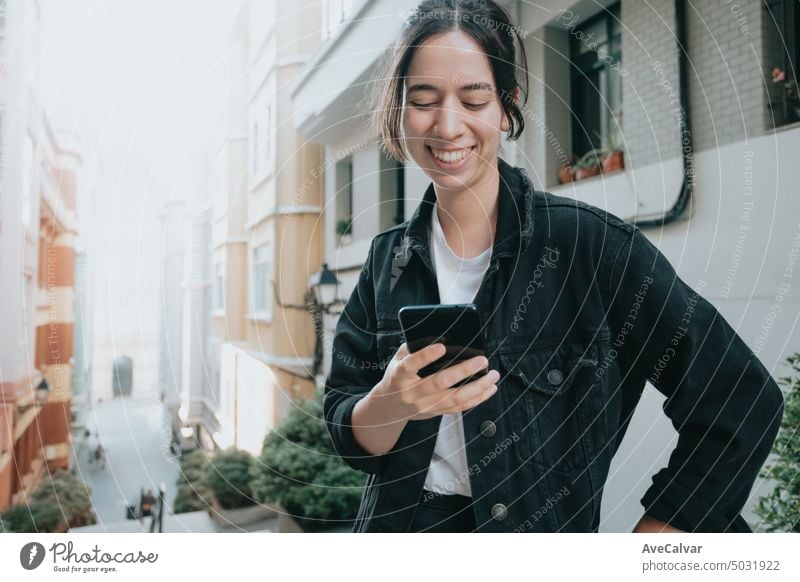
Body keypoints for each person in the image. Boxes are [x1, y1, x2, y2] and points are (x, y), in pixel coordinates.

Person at [323, 0, 785, 533]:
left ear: (506, 104)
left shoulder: (590, 247)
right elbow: (348, 429)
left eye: (473, 99)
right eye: (423, 99)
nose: (447, 126)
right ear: (400, 109)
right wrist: (391, 401)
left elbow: (741, 399)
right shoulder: (387, 262)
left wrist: (657, 542)